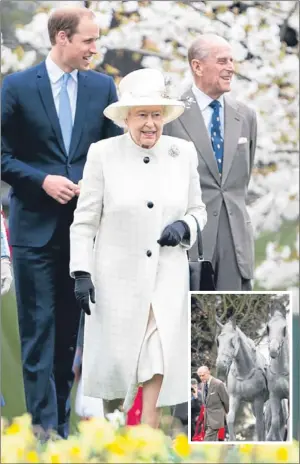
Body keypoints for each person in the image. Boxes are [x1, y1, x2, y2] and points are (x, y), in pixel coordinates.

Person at [1, 6, 122, 438]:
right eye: (88, 40)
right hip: (33, 228)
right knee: (37, 333)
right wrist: (42, 180)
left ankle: (61, 432)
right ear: (61, 38)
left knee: (70, 337)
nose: (95, 48)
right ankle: (44, 432)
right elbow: (2, 156)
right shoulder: (14, 87)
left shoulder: (103, 87)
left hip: (85, 235)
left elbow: (116, 156)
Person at [69, 68, 207, 429]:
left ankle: (147, 438)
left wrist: (184, 226)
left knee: (159, 358)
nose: (150, 124)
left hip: (166, 278)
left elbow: (198, 210)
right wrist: (82, 272)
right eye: (142, 114)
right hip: (116, 280)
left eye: (157, 114)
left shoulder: (183, 152)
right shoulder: (103, 154)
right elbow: (84, 221)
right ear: (126, 117)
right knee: (118, 374)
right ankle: (116, 437)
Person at [164, 34, 257, 291]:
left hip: (236, 244)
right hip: (189, 241)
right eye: (222, 61)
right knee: (194, 326)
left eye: (232, 61)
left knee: (234, 321)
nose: (231, 68)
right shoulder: (172, 115)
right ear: (197, 66)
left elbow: (241, 180)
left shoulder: (246, 115)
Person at [197, 365, 229, 441]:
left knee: (207, 440)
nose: (201, 378)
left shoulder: (218, 384)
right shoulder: (203, 384)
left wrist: (227, 415)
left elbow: (226, 400)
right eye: (200, 376)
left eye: (203, 375)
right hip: (207, 418)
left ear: (208, 373)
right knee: (213, 440)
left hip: (216, 418)